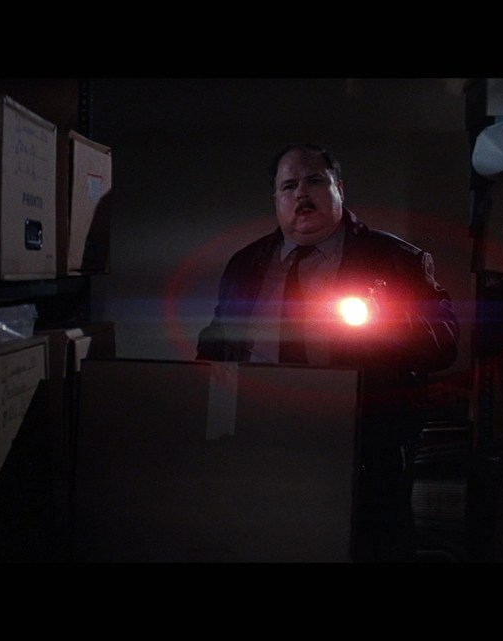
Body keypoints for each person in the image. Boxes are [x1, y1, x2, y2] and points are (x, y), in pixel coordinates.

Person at [196, 143, 459, 561]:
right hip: (265, 437)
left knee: (369, 543)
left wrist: (389, 321)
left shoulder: (396, 260)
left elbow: (444, 342)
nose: (301, 193)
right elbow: (217, 339)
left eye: (314, 181)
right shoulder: (245, 265)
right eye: (289, 186)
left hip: (364, 441)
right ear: (276, 199)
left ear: (339, 189)